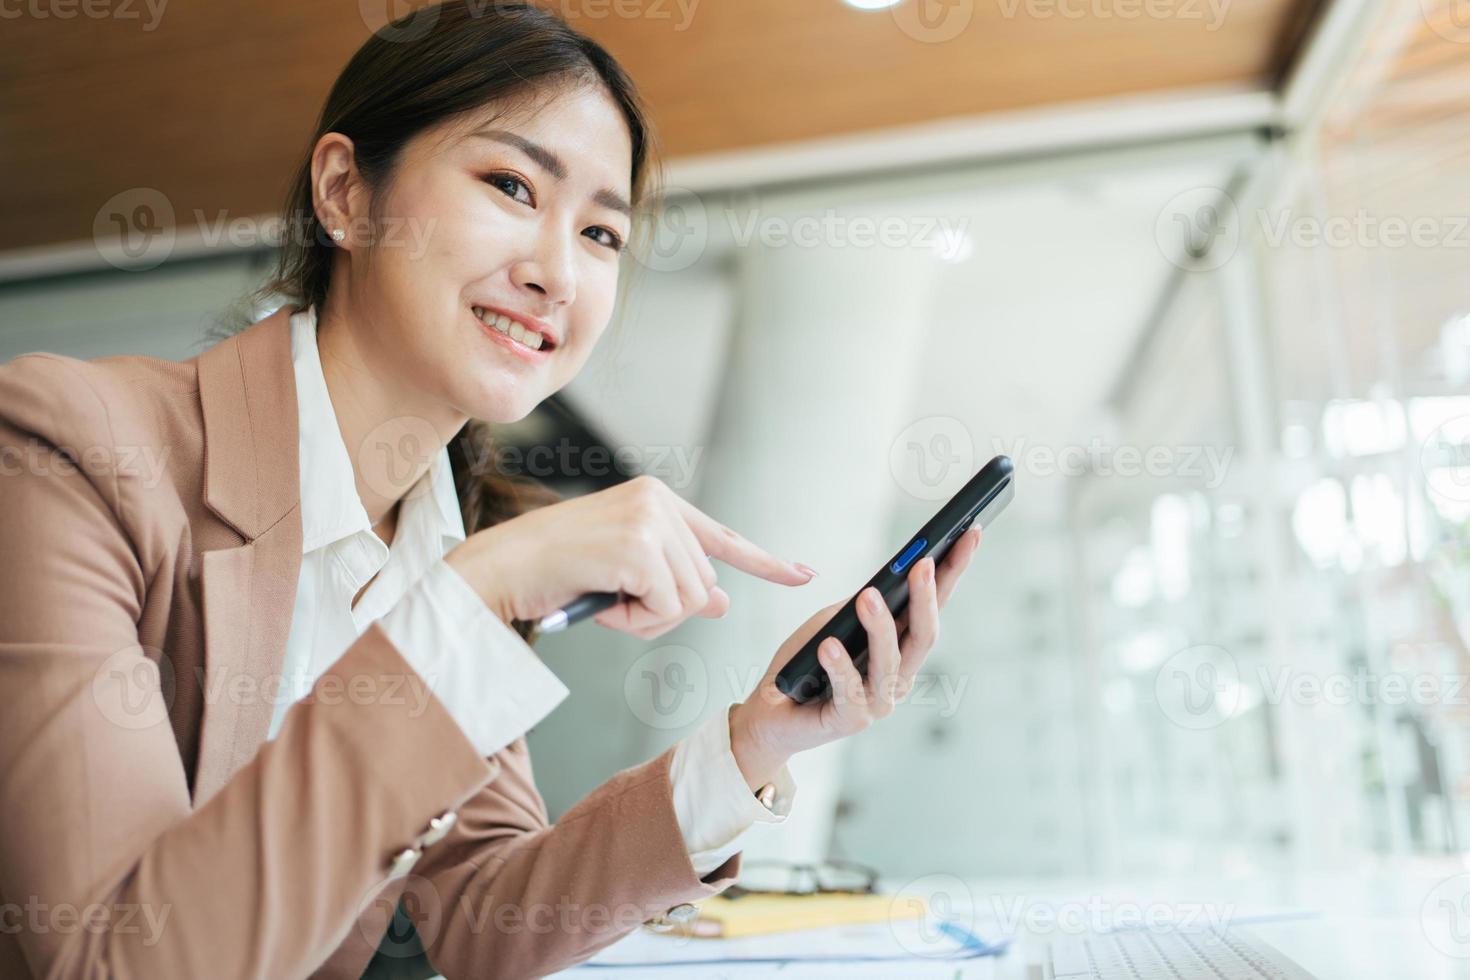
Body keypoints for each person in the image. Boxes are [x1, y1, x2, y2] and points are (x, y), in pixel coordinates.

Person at [0, 3, 982, 977]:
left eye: (602, 233)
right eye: (513, 184)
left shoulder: (453, 538)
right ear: (345, 192)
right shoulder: (71, 449)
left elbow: (480, 915)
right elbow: (104, 960)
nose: (559, 271)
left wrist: (751, 743)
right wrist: (474, 594)